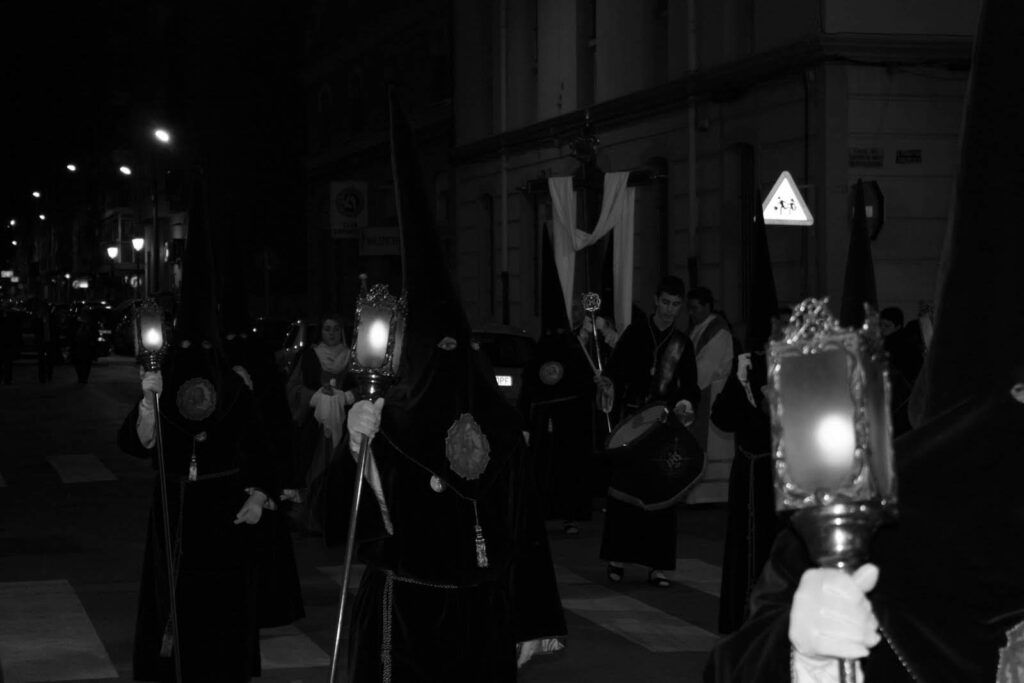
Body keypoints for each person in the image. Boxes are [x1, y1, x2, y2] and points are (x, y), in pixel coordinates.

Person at [323, 89, 566, 681]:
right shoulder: (384, 421)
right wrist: (353, 448)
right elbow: (338, 521)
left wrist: (531, 620)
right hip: (405, 618)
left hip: (484, 613)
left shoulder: (500, 429)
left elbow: (525, 528)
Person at [119, 338, 279, 682]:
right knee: (173, 600)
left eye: (203, 344)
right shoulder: (163, 386)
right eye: (187, 344)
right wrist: (147, 402)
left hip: (225, 514)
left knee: (223, 605)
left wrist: (258, 495)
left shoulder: (234, 388)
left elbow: (260, 447)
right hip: (173, 508)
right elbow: (136, 443)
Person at [597, 275, 700, 588]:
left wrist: (685, 404)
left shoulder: (682, 343)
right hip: (633, 422)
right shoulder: (636, 333)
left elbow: (691, 387)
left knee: (662, 495)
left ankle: (658, 565)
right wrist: (608, 383)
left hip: (664, 426)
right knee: (624, 491)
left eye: (676, 304)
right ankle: (617, 558)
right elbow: (615, 370)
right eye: (665, 302)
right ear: (656, 300)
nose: (669, 309)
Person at [711, 306, 790, 634]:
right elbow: (722, 418)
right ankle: (745, 619)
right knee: (749, 548)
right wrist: (740, 388)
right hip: (754, 472)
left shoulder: (804, 367)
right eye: (778, 332)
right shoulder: (749, 368)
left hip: (791, 475)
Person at [518, 302, 605, 536]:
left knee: (569, 471)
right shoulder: (540, 353)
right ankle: (540, 515)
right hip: (543, 424)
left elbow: (586, 386)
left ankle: (570, 515)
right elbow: (528, 389)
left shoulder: (576, 350)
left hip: (571, 424)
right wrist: (525, 422)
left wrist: (597, 384)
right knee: (542, 470)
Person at [284, 313, 356, 534]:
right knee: (313, 469)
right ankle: (311, 520)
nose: (332, 333)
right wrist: (315, 396)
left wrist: (345, 397)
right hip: (313, 426)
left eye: (336, 329)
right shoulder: (309, 356)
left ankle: (337, 522)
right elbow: (293, 388)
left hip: (346, 426)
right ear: (320, 332)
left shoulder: (354, 358)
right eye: (327, 328)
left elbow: (364, 388)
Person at [686, 286, 736, 501]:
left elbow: (704, 369)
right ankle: (696, 493)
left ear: (707, 307)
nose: (691, 313)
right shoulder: (698, 328)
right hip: (702, 391)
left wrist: (684, 383)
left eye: (695, 308)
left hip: (712, 393)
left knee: (711, 446)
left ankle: (710, 494)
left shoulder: (718, 331)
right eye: (689, 308)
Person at [68, 309, 98, 384]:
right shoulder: (77, 323)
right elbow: (72, 333)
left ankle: (84, 377)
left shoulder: (90, 324)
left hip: (87, 345)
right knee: (78, 362)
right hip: (78, 345)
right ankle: (81, 376)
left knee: (86, 362)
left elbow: (95, 334)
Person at [33, 301, 57, 383]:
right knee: (41, 360)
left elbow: (54, 329)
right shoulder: (38, 318)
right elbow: (36, 330)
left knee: (50, 360)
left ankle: (49, 374)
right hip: (42, 342)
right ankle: (42, 376)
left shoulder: (51, 318)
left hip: (49, 341)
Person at [0, 306, 21, 385]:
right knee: (6, 362)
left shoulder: (11, 316)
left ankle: (7, 379)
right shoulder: (9, 317)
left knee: (8, 362)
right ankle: (6, 378)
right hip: (4, 342)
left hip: (7, 342)